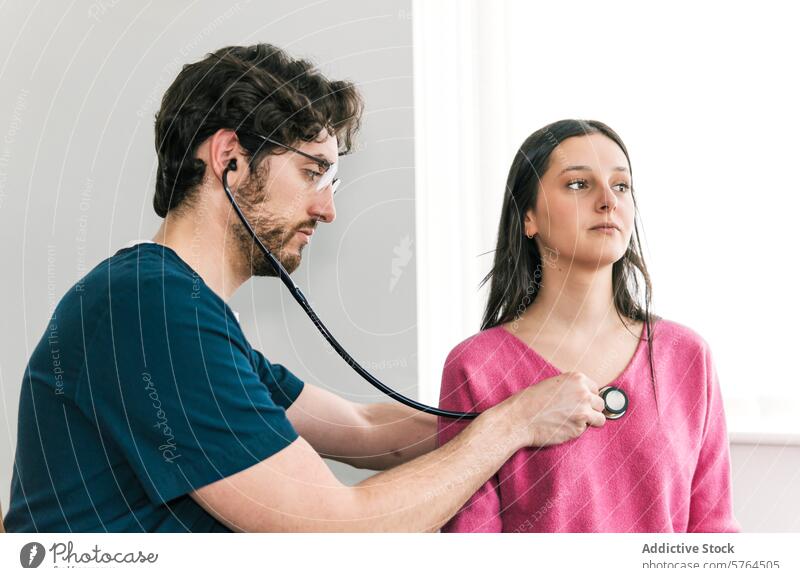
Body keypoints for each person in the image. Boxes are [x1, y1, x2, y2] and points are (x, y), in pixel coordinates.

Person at [3, 46, 606, 533]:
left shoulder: (183, 314)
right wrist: (513, 426)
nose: (328, 209)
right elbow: (335, 531)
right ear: (230, 159)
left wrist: (510, 397)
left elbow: (364, 430)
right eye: (313, 172)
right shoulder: (149, 311)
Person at [438, 119, 740, 533]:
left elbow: (714, 536)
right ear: (529, 218)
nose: (607, 201)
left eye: (621, 186)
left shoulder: (687, 357)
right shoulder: (476, 367)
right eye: (578, 184)